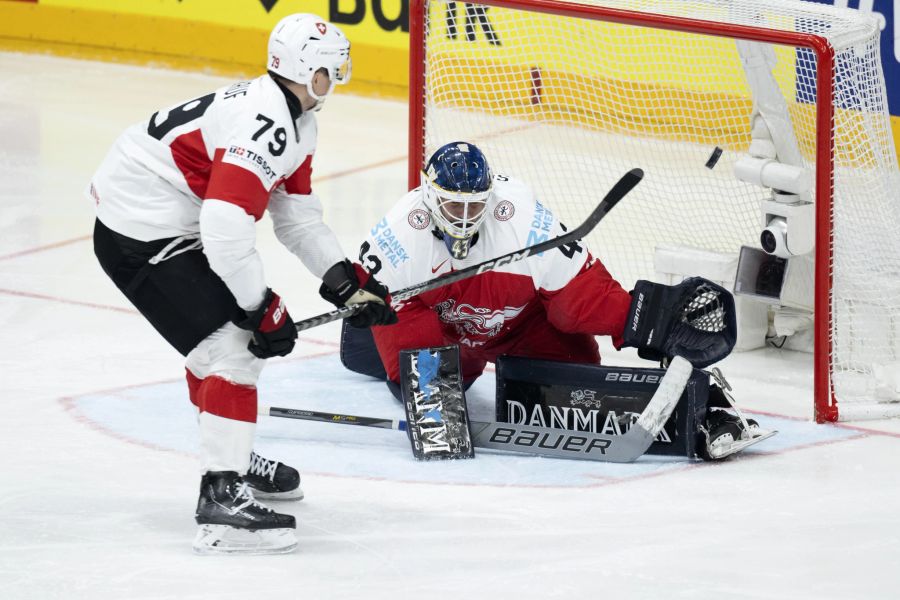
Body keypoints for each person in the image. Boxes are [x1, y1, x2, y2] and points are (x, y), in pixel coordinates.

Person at [89, 13, 396, 555]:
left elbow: (296, 216)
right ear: (308, 69)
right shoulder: (268, 121)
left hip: (163, 220)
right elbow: (225, 227)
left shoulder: (295, 116)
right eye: (332, 67)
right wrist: (261, 306)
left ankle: (231, 453)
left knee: (223, 346)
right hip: (143, 232)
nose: (339, 74)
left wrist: (343, 280)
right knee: (232, 349)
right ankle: (223, 504)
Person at [340, 141, 759, 460]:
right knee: (436, 410)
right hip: (446, 332)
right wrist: (363, 303)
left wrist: (644, 320)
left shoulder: (520, 218)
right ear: (429, 196)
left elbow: (580, 295)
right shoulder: (398, 235)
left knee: (579, 381)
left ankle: (700, 409)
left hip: (522, 325)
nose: (465, 218)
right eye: (453, 205)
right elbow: (371, 299)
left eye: (475, 206)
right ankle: (415, 379)